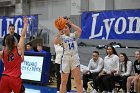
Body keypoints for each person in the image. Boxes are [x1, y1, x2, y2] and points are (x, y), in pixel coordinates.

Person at [54, 17, 83, 93]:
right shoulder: (62, 37)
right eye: (63, 28)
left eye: (66, 27)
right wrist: (58, 33)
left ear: (69, 28)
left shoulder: (74, 35)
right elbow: (55, 42)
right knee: (63, 82)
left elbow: (80, 30)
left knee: (78, 81)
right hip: (65, 59)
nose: (65, 29)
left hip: (74, 58)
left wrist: (71, 24)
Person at [0, 16, 28, 93]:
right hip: (14, 78)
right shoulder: (18, 50)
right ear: (15, 43)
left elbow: (2, 59)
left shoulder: (2, 53)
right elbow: (22, 35)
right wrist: (25, 24)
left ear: (6, 43)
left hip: (4, 78)